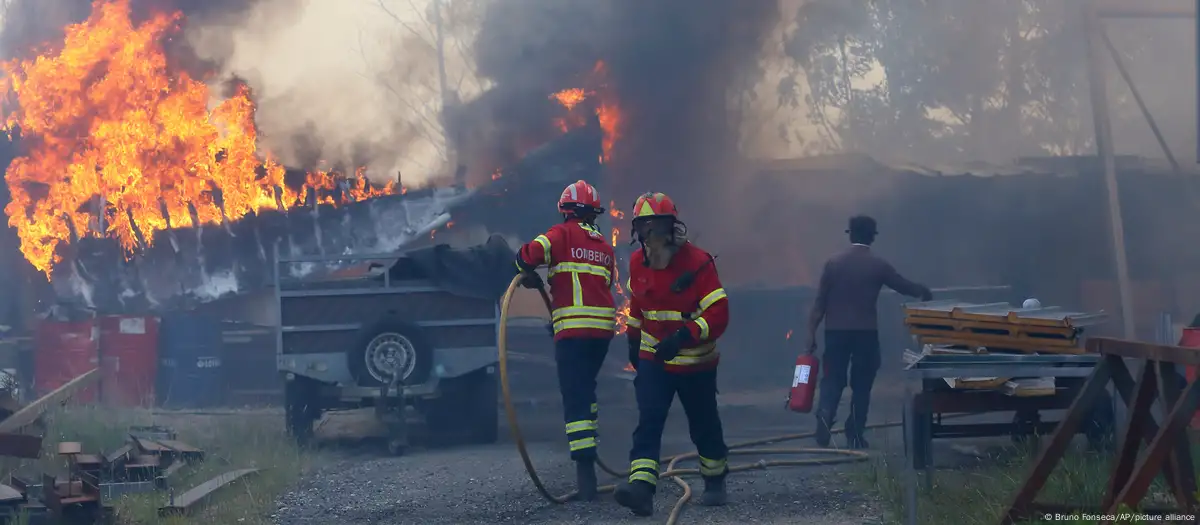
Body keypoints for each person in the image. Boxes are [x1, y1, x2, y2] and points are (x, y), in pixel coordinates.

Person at [613, 192, 731, 517]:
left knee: (704, 424)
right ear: (637, 230)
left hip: (696, 363)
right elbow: (638, 304)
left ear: (672, 228)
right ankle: (641, 490)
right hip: (655, 362)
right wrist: (633, 341)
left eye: (658, 227)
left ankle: (715, 479)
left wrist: (684, 335)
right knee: (648, 422)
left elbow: (719, 313)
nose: (651, 237)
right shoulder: (637, 262)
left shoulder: (697, 262)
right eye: (645, 228)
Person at [515, 180, 616, 501]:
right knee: (586, 389)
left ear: (566, 211)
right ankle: (592, 451)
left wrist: (523, 269)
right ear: (594, 213)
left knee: (575, 397)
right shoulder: (604, 245)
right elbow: (600, 284)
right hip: (601, 333)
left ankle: (585, 475)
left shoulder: (559, 235)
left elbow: (530, 254)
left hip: (573, 332)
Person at [806, 215, 932, 449]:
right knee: (862, 385)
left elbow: (819, 303)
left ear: (851, 234)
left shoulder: (833, 264)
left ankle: (824, 416)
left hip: (835, 332)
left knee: (832, 379)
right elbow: (902, 285)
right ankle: (855, 433)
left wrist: (811, 334)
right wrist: (922, 291)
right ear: (872, 237)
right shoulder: (878, 265)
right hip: (865, 334)